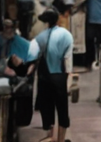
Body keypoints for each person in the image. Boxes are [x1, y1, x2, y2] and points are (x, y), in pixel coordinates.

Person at [34, 9, 74, 142]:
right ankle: (61, 139)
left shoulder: (40, 36)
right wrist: (69, 80)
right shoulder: (66, 35)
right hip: (59, 76)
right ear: (57, 20)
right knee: (62, 108)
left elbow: (33, 57)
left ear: (46, 22)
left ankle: (49, 136)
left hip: (44, 76)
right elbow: (67, 59)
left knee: (47, 106)